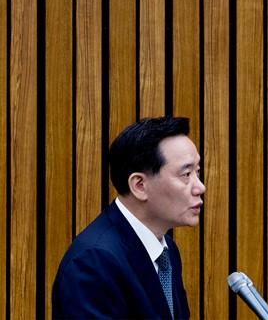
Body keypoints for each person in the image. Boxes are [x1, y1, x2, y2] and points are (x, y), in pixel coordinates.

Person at [52, 116, 205, 319]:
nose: (200, 187)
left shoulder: (166, 249)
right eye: (186, 174)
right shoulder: (94, 261)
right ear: (140, 185)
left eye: (197, 172)